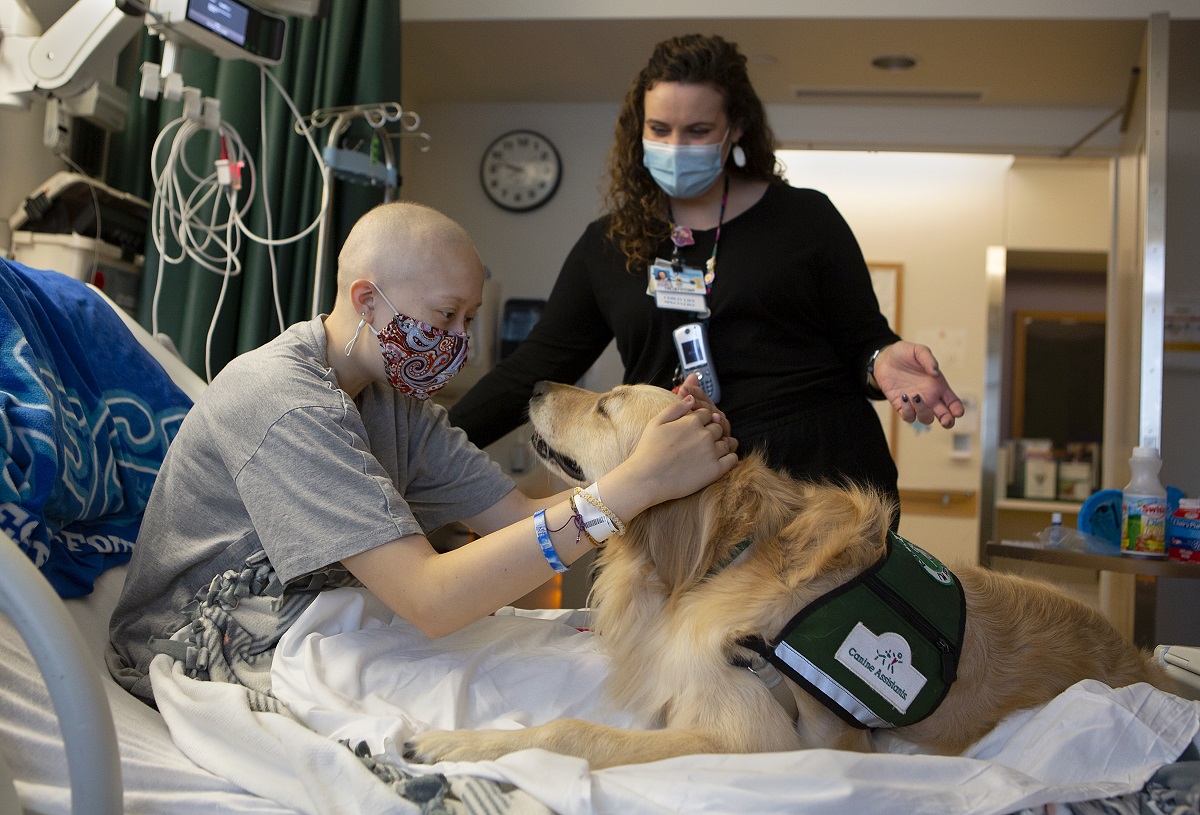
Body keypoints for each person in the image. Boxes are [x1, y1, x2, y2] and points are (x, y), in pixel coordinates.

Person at [106, 201, 737, 703]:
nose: (459, 339)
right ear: (366, 300)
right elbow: (432, 600)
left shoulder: (396, 405)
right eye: (444, 316)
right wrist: (635, 487)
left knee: (574, 664)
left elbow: (520, 517)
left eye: (469, 317)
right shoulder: (284, 403)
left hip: (322, 621)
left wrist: (655, 456)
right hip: (196, 643)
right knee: (563, 690)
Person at [449, 33, 963, 513]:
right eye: (660, 129)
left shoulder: (806, 220)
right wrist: (426, 443)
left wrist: (882, 358)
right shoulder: (607, 245)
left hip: (820, 488)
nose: (676, 145)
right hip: (681, 500)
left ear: (735, 129)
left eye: (698, 131)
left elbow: (863, 342)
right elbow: (532, 366)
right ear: (638, 130)